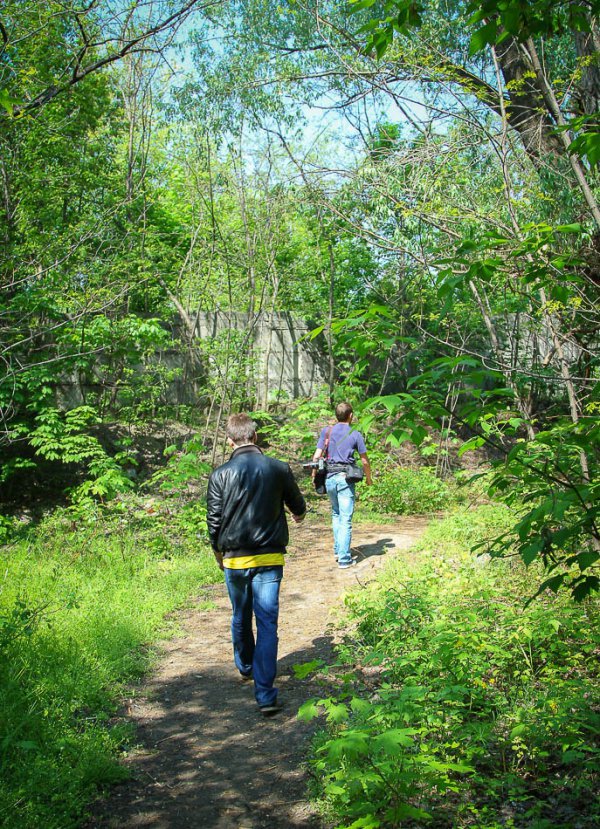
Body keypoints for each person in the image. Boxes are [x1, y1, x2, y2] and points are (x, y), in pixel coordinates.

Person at [206, 413, 306, 717]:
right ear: (256, 436)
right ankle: (264, 694)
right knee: (267, 623)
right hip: (269, 558)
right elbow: (298, 507)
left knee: (240, 615)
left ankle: (246, 666)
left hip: (235, 559)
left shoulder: (219, 474)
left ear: (230, 440)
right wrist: (297, 515)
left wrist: (218, 555)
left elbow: (214, 522)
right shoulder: (277, 468)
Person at [312, 402, 372, 569]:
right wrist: (368, 478)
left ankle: (338, 551)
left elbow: (316, 456)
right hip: (345, 479)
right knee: (345, 519)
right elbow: (365, 460)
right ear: (350, 415)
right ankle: (345, 559)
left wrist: (314, 474)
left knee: (336, 514)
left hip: (329, 478)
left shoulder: (327, 431)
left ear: (336, 415)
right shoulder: (355, 433)